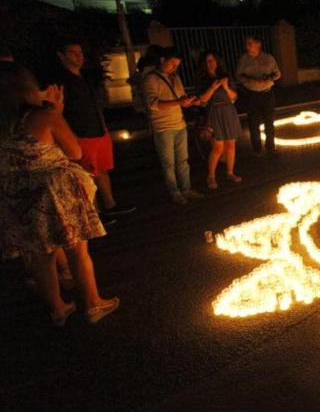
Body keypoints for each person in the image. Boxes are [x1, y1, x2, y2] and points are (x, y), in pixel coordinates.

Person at [0, 65, 118, 325]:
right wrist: (57, 113)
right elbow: (75, 152)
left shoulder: (4, 122)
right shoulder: (43, 116)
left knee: (41, 255)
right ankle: (93, 304)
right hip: (54, 193)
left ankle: (58, 308)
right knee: (77, 250)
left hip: (19, 196)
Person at [54, 40, 135, 223]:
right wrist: (71, 137)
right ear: (61, 56)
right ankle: (94, 214)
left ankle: (110, 204)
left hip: (98, 131)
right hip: (81, 135)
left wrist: (104, 127)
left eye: (80, 52)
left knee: (103, 170)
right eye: (72, 52)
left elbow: (94, 105)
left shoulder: (84, 78)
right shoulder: (61, 82)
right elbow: (58, 113)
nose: (78, 56)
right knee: (87, 176)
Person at [144, 48, 204, 204]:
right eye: (172, 64)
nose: (174, 68)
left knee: (183, 161)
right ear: (162, 60)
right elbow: (153, 104)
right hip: (163, 127)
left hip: (179, 124)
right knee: (168, 163)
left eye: (177, 65)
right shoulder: (151, 79)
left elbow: (181, 98)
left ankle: (187, 189)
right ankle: (174, 192)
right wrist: (179, 102)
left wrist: (189, 101)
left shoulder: (175, 77)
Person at [195, 50, 242, 189]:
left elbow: (234, 97)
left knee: (231, 145)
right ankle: (211, 176)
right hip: (214, 112)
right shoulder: (202, 78)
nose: (211, 63)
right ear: (204, 63)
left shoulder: (225, 76)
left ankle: (230, 172)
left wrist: (226, 87)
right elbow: (202, 99)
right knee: (217, 147)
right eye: (208, 60)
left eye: (213, 60)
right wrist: (212, 87)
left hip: (229, 111)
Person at [236, 36, 281, 157]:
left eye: (250, 43)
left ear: (258, 44)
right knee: (253, 123)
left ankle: (270, 148)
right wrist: (250, 80)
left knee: (269, 122)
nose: (247, 46)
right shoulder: (244, 59)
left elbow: (277, 74)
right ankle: (257, 150)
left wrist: (268, 79)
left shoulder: (268, 58)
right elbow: (238, 76)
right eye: (246, 44)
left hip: (267, 94)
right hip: (251, 95)